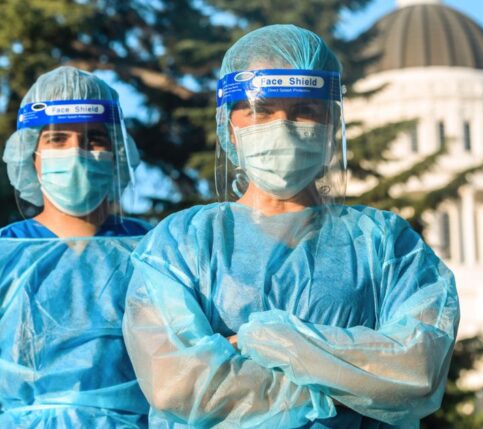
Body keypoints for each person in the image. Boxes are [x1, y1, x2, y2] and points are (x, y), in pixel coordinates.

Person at [122, 25, 460, 428]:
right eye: (261, 110)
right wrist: (349, 385)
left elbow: (417, 369)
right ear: (228, 125)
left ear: (331, 123)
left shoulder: (385, 244)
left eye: (304, 110)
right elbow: (176, 384)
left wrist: (260, 343)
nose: (282, 127)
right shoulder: (180, 244)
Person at [0, 66, 150, 428]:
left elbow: (186, 379)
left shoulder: (156, 254)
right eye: (57, 139)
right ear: (31, 155)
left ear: (118, 153)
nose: (77, 154)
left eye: (95, 140)